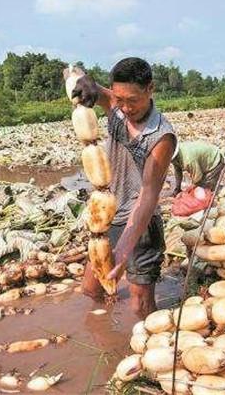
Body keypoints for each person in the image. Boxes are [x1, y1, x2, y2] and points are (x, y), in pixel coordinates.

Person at [70, 57, 176, 316]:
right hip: (107, 218)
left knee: (140, 305)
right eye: (120, 99)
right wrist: (79, 77)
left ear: (150, 89)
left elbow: (149, 195)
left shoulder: (161, 137)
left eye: (133, 100)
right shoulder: (116, 104)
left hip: (140, 223)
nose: (125, 108)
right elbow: (87, 85)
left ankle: (147, 347)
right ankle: (105, 333)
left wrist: (124, 249)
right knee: (91, 289)